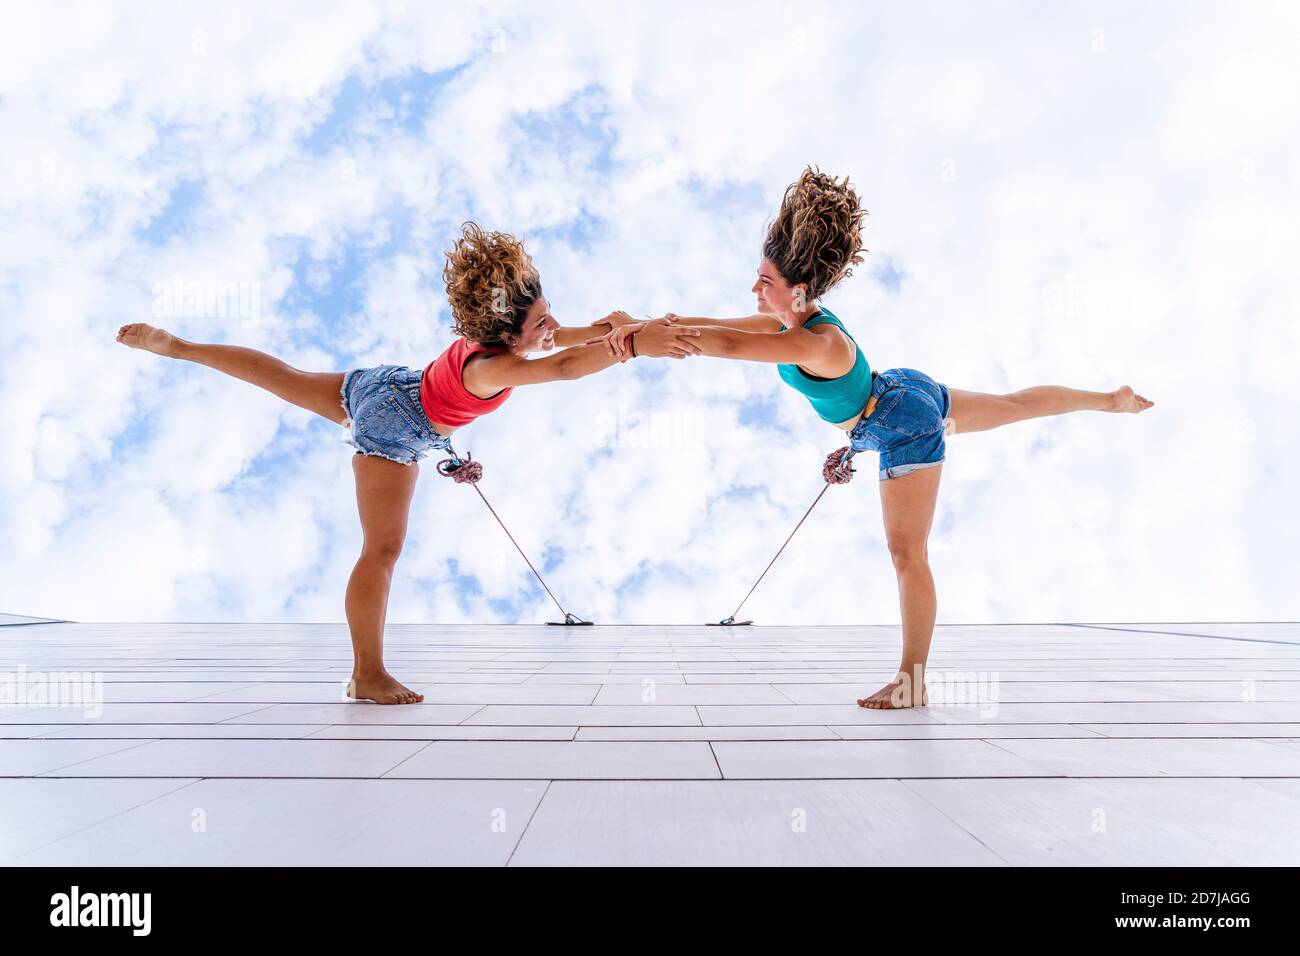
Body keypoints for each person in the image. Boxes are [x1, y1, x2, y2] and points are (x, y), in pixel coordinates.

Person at [591, 168, 1154, 709]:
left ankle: (913, 682)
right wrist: (634, 323)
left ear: (799, 289)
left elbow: (727, 347)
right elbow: (708, 325)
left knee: (906, 551)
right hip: (899, 395)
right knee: (1010, 407)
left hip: (901, 420)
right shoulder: (792, 320)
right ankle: (1111, 400)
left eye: (766, 281)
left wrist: (637, 343)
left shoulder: (821, 344)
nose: (755, 290)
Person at [116, 221, 701, 704]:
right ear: (505, 334)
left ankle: (182, 348)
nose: (550, 327)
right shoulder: (495, 369)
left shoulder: (496, 340)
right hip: (398, 424)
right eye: (539, 323)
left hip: (387, 386)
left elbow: (566, 339)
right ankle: (366, 673)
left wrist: (624, 328)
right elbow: (564, 366)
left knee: (288, 379)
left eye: (548, 313)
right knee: (382, 550)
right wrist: (631, 347)